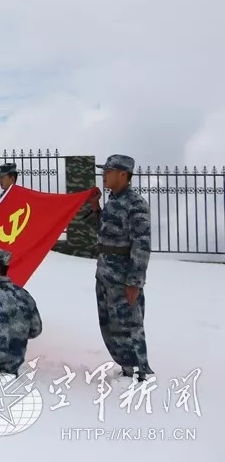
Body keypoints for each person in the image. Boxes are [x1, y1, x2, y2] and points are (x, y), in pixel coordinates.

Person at [91, 154, 153, 380]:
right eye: (104, 170)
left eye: (108, 171)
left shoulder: (135, 204)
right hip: (105, 275)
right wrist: (95, 207)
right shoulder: (112, 201)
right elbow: (103, 232)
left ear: (123, 175)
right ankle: (125, 367)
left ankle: (140, 372)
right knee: (109, 325)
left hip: (123, 277)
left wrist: (134, 281)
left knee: (130, 325)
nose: (103, 175)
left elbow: (142, 245)